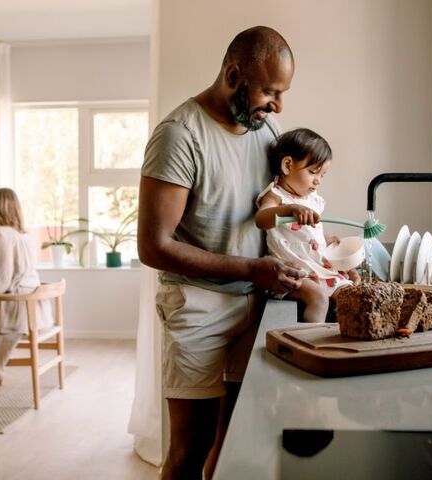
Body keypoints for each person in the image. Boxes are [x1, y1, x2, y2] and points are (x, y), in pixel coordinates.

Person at [138, 26, 305, 479]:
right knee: (189, 453)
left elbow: (275, 202)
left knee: (236, 448)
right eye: (270, 91)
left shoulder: (266, 128)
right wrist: (251, 267)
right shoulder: (179, 135)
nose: (278, 106)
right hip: (199, 310)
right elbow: (154, 247)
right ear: (234, 76)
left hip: (256, 302)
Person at [255, 128, 360, 323]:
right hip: (292, 271)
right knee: (318, 298)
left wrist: (327, 241)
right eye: (313, 172)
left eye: (322, 175)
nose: (318, 181)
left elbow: (309, 234)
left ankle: (348, 333)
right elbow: (261, 219)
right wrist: (289, 209)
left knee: (352, 293)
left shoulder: (314, 200)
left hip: (317, 267)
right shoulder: (277, 196)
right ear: (287, 165)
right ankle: (312, 342)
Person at [0, 188, 52, 383]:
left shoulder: (1, 235)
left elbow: (1, 281)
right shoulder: (23, 236)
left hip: (17, 307)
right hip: (34, 307)